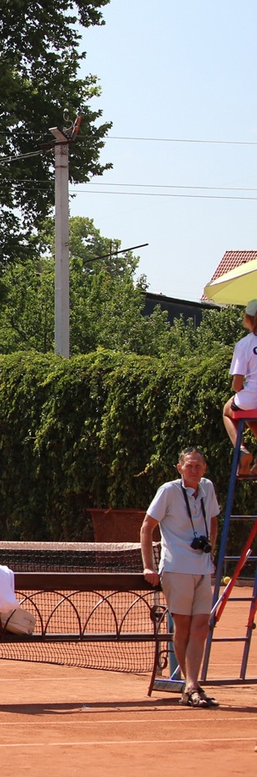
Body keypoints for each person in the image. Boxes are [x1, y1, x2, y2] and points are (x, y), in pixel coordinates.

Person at [141, 447, 221, 708]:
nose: (194, 470)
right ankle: (191, 686)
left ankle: (192, 685)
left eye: (198, 465)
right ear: (179, 468)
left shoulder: (207, 487)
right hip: (176, 568)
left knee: (201, 627)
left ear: (204, 468)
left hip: (202, 569)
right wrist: (149, 567)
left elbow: (213, 521)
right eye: (189, 465)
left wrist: (210, 551)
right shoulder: (168, 490)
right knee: (183, 627)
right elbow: (147, 527)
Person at [225, 299, 257, 477]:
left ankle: (242, 449)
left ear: (247, 318)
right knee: (252, 416)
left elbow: (237, 385)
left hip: (250, 398)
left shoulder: (244, 344)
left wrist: (244, 390)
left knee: (227, 410)